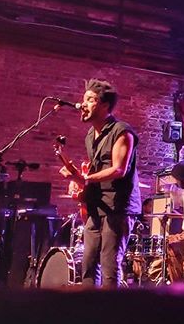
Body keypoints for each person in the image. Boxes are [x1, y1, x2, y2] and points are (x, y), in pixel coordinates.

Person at [60, 79, 141, 288]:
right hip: (96, 205)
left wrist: (85, 179)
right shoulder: (90, 135)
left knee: (109, 264)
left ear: (105, 105)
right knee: (88, 263)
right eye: (83, 99)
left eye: (90, 100)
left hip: (118, 206)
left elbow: (118, 169)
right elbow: (96, 170)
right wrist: (77, 181)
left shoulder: (122, 131)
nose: (82, 104)